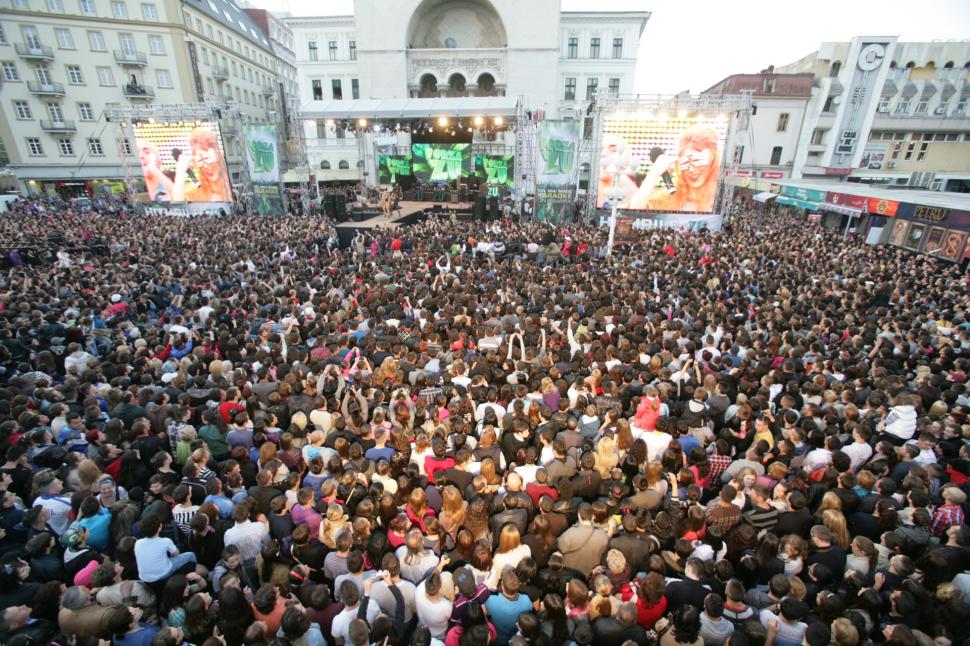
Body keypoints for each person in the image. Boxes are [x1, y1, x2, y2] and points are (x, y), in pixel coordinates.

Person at [625, 125, 721, 212]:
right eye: (686, 163)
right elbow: (630, 217)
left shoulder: (723, 198)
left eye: (696, 162)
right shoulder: (669, 197)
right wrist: (653, 175)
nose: (691, 170)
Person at [172, 126, 232, 202]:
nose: (206, 166)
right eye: (200, 161)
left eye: (208, 159)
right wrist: (180, 172)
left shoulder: (233, 186)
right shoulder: (196, 191)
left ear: (218, 155)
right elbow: (178, 205)